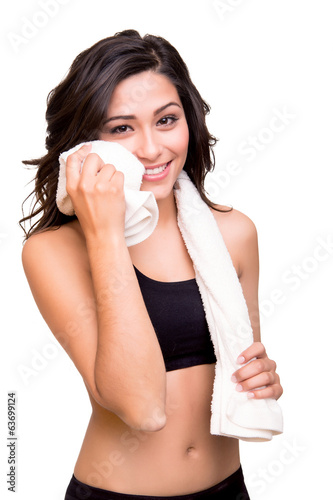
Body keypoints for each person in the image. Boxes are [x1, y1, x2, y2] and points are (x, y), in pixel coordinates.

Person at [20, 29, 283, 500]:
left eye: (167, 120)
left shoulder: (234, 234)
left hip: (228, 489)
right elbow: (139, 406)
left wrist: (262, 379)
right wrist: (104, 234)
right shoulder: (55, 251)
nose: (150, 148)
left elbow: (242, 368)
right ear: (88, 144)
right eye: (121, 128)